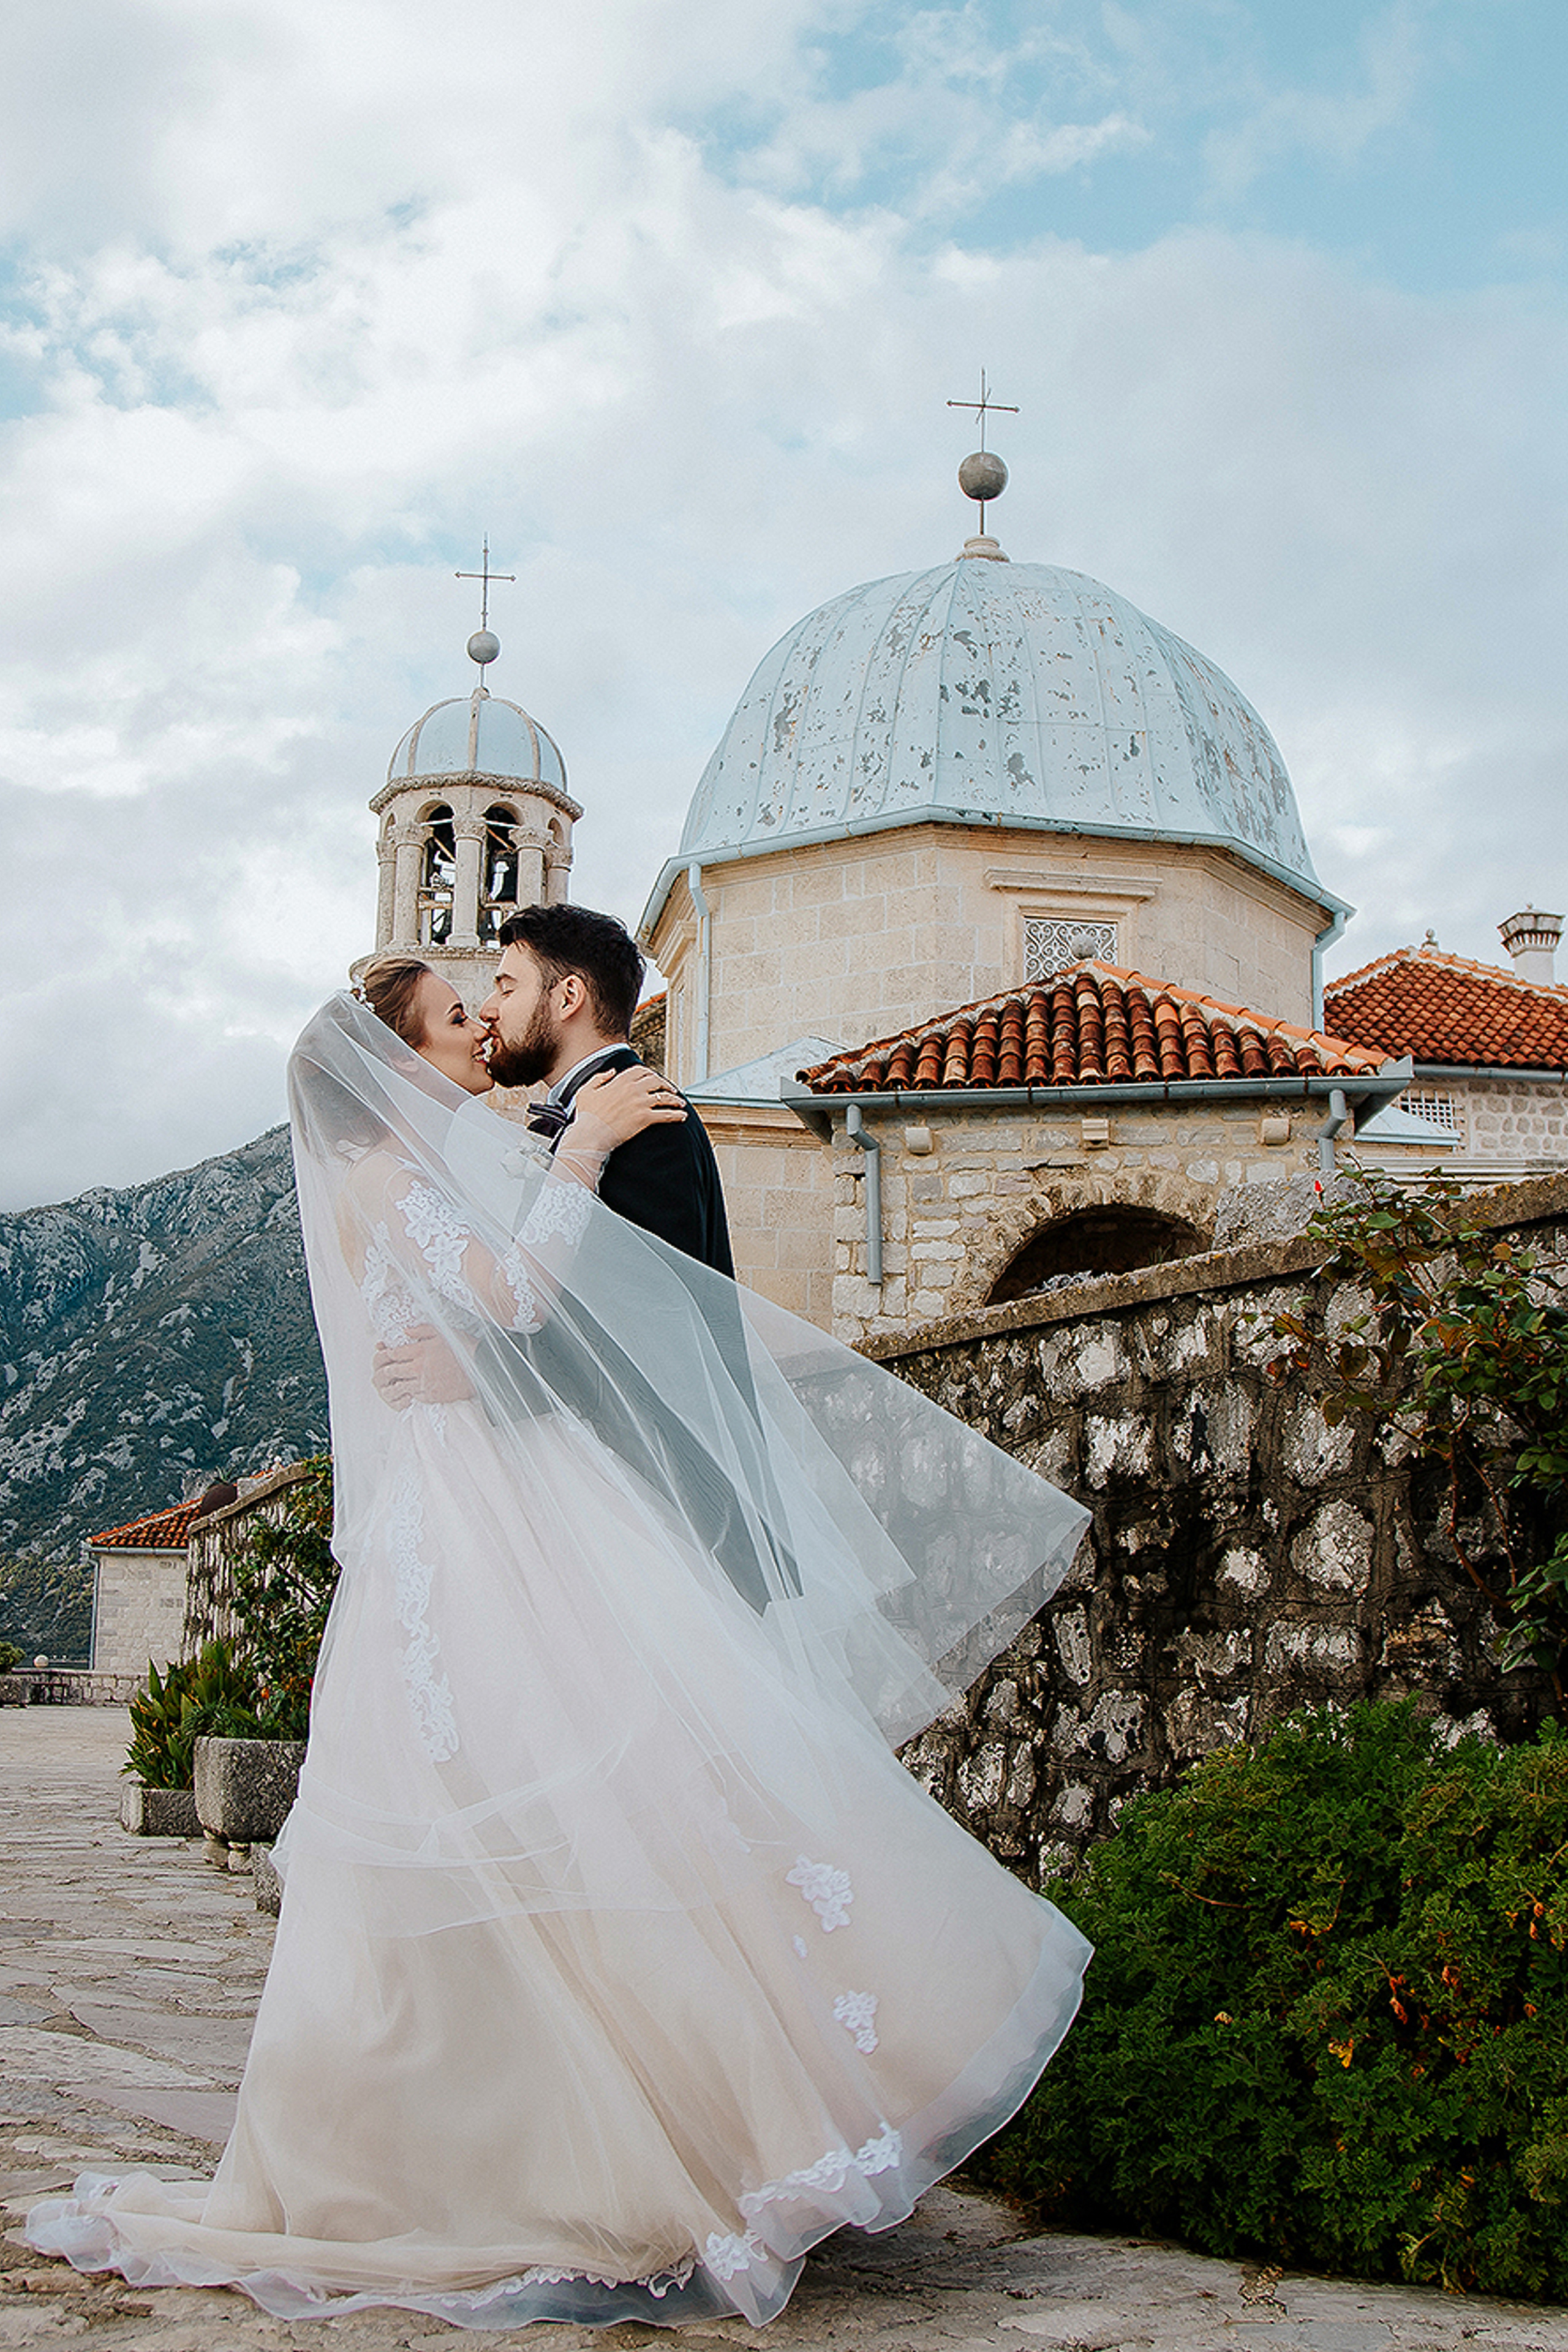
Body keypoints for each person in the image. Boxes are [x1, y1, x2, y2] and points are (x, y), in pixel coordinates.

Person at [29, 943, 1093, 2332]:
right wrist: (581, 1144)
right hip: (478, 1531)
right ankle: (556, 2154)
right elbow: (521, 1299)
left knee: (615, 1791)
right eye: (456, 1023)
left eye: (487, 1008)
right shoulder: (384, 1174)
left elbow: (498, 1322)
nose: (481, 1033)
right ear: (400, 1062)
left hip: (504, 1497)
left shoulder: (436, 1155)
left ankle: (660, 2123)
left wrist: (543, 1168)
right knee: (562, 1790)